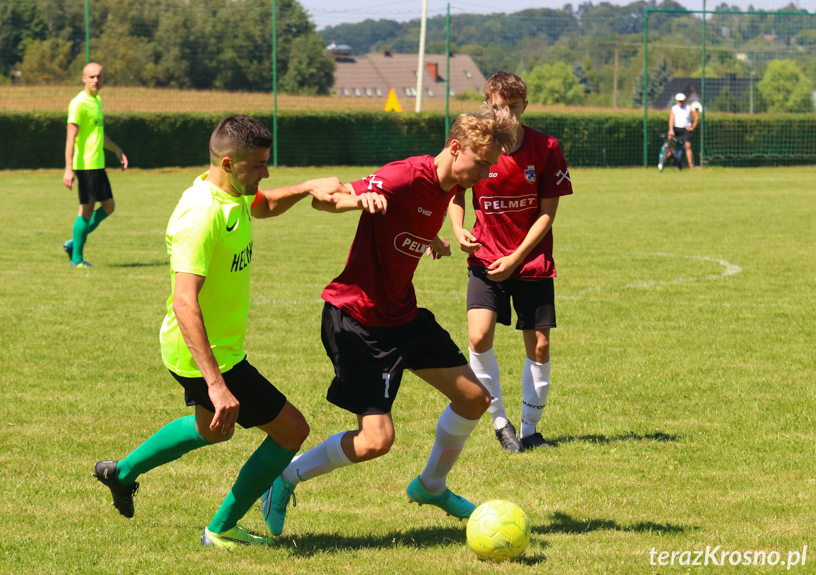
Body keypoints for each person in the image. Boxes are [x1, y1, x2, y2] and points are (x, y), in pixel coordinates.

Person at [92, 114, 385, 548]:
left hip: (211, 347)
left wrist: (306, 189)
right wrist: (216, 384)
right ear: (228, 163)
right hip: (206, 353)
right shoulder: (201, 216)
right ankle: (221, 529)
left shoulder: (232, 194)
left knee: (212, 429)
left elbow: (263, 204)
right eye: (258, 166)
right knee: (291, 431)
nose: (265, 173)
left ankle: (123, 472)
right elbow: (185, 302)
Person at [259, 109, 517, 538]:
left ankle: (431, 486)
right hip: (357, 319)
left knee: (475, 399)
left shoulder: (449, 186)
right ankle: (283, 479)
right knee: (376, 441)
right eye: (484, 163)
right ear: (457, 148)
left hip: (402, 316)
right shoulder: (402, 176)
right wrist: (359, 199)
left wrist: (431, 238)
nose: (487, 173)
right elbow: (331, 198)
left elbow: (412, 216)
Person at [447, 71, 573, 453]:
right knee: (478, 336)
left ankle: (531, 429)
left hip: (531, 262)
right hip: (485, 259)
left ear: (524, 106)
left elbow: (547, 212)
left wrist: (517, 258)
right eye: (497, 107)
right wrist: (458, 229)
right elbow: (455, 193)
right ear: (488, 104)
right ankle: (501, 422)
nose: (504, 115)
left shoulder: (545, 147)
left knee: (538, 347)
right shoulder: (476, 146)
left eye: (512, 108)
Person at [62, 62, 129, 268]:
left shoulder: (96, 101)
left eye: (99, 76)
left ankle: (75, 242)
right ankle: (76, 259)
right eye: (91, 77)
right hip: (86, 165)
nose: (96, 80)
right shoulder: (79, 103)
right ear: (83, 79)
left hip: (97, 164)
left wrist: (117, 150)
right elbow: (70, 138)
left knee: (108, 207)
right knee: (86, 210)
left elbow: (99, 135)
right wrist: (68, 169)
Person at [663, 92, 699, 170]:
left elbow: (696, 117)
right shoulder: (674, 108)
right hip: (676, 128)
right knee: (670, 140)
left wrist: (692, 127)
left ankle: (690, 164)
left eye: (682, 101)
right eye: (679, 101)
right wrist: (671, 129)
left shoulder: (688, 108)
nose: (680, 102)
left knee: (688, 145)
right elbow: (671, 119)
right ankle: (669, 155)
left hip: (685, 129)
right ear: (676, 101)